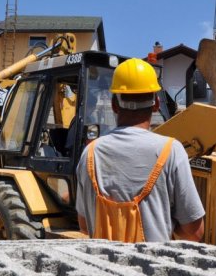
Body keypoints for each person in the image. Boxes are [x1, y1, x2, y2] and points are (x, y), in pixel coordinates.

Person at [76, 58, 205, 242]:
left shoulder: (89, 154)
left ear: (114, 104)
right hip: (151, 269)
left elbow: (83, 225)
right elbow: (195, 232)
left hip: (101, 267)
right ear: (156, 104)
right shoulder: (172, 151)